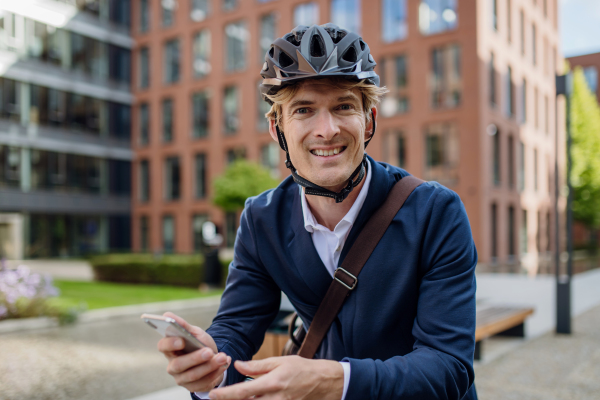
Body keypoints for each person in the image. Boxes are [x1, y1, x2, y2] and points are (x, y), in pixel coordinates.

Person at [157, 24, 478, 400]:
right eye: (304, 110)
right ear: (278, 130)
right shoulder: (262, 219)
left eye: (343, 106)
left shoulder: (436, 212)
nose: (326, 130)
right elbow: (237, 325)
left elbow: (448, 366)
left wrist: (335, 381)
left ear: (369, 120)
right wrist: (209, 362)